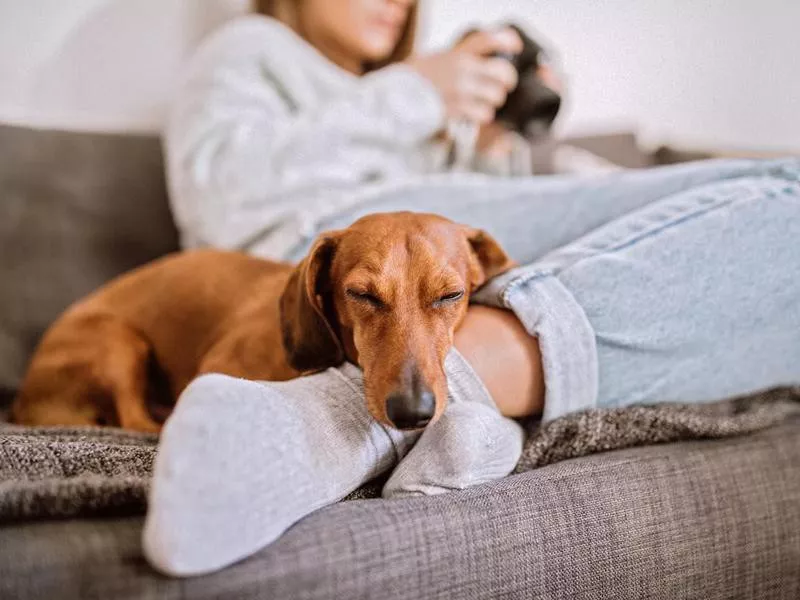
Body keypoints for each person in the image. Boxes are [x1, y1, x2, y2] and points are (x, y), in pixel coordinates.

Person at [145, 0, 800, 576]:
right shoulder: (252, 49)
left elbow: (480, 244)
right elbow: (220, 201)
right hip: (323, 248)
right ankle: (367, 412)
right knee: (788, 197)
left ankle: (443, 395)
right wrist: (416, 92)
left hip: (447, 265)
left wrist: (490, 144)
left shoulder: (386, 96)